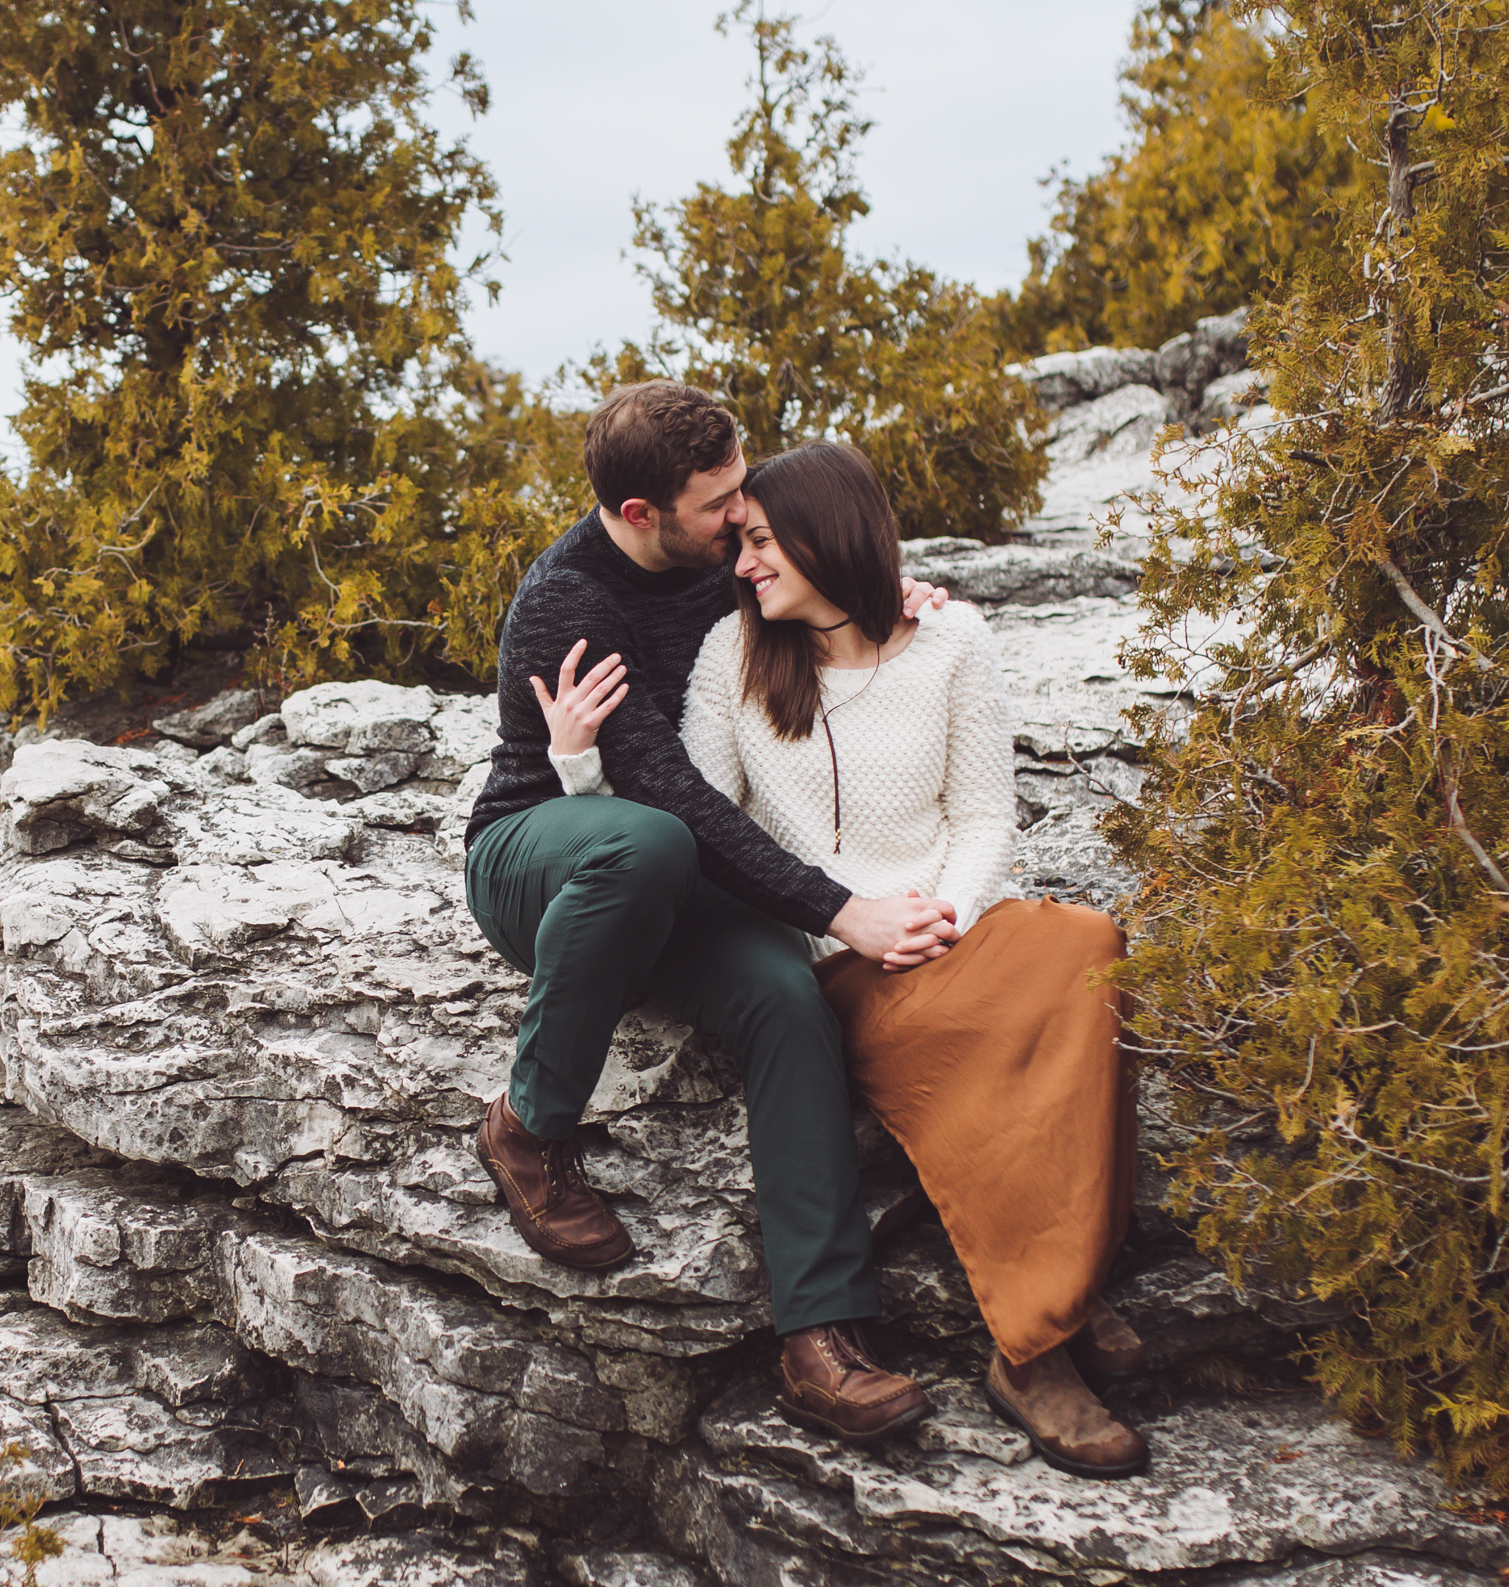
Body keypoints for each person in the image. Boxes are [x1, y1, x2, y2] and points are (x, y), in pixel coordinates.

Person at [544, 439, 1149, 1479]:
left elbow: (987, 813)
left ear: (831, 538)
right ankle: (1042, 1343)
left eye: (765, 542)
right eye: (741, 544)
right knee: (1006, 1036)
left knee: (1087, 946)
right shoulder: (734, 658)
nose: (743, 563)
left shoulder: (952, 638)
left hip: (953, 934)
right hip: (833, 961)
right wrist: (576, 766)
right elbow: (691, 828)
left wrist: (944, 918)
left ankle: (1064, 1292)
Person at [462, 381, 958, 1448]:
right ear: (642, 513)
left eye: (744, 484)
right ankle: (527, 1129)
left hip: (683, 879)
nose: (744, 515)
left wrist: (884, 601)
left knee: (786, 999)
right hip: (546, 855)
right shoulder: (570, 604)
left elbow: (805, 613)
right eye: (720, 499)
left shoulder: (718, 565)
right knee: (648, 841)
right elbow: (663, 795)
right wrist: (844, 910)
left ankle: (822, 1339)